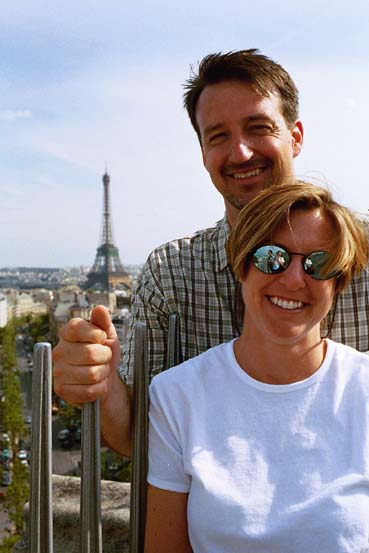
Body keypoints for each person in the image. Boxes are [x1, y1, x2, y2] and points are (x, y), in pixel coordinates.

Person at [52, 50, 369, 457]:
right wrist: (101, 382)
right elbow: (138, 436)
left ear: (296, 137)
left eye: (258, 128)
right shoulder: (172, 273)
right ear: (203, 152)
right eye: (218, 136)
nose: (240, 153)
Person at [145, 182, 369, 553]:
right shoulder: (176, 397)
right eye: (272, 257)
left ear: (338, 284)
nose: (295, 279)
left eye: (320, 263)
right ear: (241, 264)